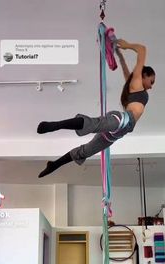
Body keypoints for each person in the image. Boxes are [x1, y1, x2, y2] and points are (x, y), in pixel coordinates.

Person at [37, 39, 155, 178]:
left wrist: (119, 55)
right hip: (121, 121)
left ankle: (54, 164)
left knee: (86, 151)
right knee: (93, 124)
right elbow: (142, 49)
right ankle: (54, 125)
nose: (152, 86)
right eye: (151, 81)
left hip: (118, 132)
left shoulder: (132, 85)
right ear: (143, 75)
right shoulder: (137, 84)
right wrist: (127, 46)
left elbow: (125, 72)